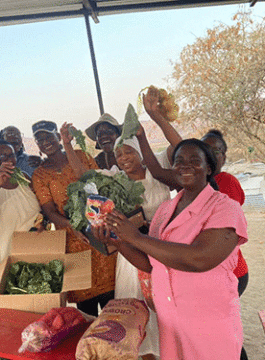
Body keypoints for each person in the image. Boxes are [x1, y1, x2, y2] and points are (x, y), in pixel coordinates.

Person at [93, 139, 248, 360]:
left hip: (208, 321)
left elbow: (199, 258)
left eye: (195, 161)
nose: (185, 166)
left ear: (209, 168)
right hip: (170, 321)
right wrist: (118, 242)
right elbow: (151, 263)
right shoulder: (166, 210)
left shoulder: (224, 208)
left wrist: (135, 236)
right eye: (179, 161)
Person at [31, 120, 117, 316]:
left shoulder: (81, 156)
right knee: (85, 306)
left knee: (112, 301)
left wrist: (93, 222)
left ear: (58, 137)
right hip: (72, 241)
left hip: (99, 232)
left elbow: (97, 185)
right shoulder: (40, 174)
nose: (44, 142)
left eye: (48, 136)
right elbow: (49, 211)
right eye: (39, 139)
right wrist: (73, 226)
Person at [201, 129, 249, 360]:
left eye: (215, 150)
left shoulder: (226, 182)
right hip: (213, 273)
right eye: (205, 150)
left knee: (222, 332)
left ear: (224, 157)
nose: (210, 154)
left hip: (231, 273)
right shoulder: (202, 185)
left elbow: (220, 230)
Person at [0, 140, 41, 267]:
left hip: (37, 249)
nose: (8, 159)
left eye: (11, 155)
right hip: (9, 258)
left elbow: (41, 207)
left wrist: (42, 222)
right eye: (2, 155)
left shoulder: (25, 179)